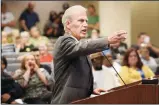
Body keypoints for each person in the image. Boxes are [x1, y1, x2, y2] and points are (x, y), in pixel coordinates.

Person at [51, 5, 127, 104]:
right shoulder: (63, 41)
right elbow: (82, 47)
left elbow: (78, 77)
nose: (86, 24)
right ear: (68, 24)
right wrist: (107, 40)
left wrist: (90, 90)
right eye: (81, 21)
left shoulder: (79, 45)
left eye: (86, 21)